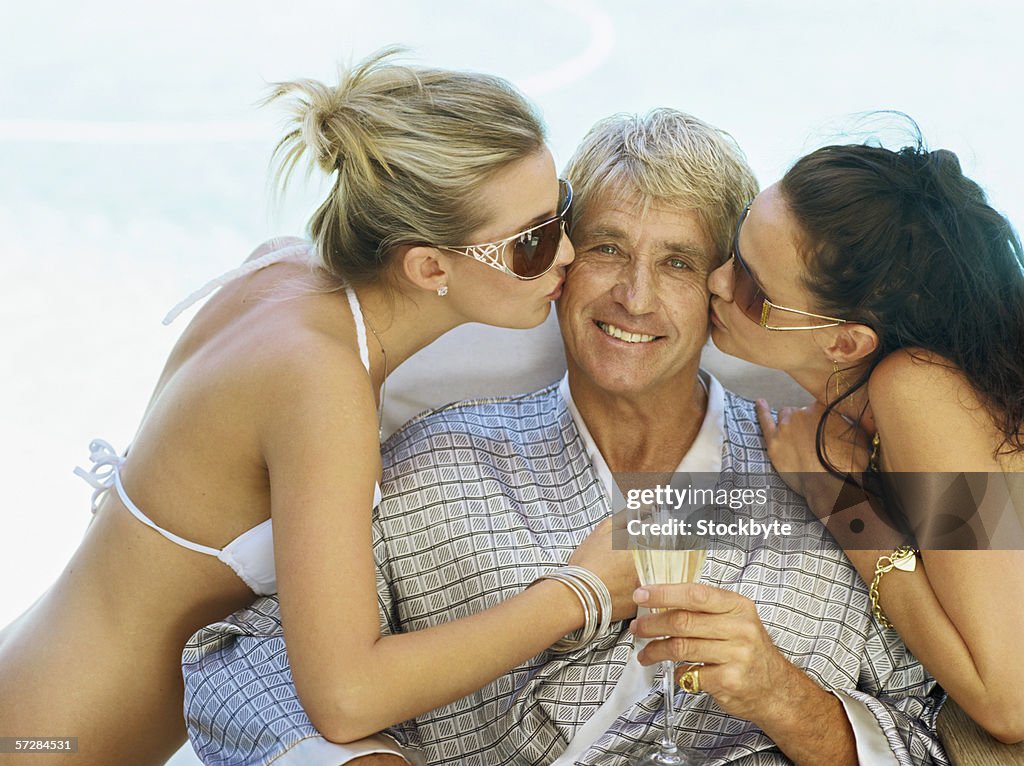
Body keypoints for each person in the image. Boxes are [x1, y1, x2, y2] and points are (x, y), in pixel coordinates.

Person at [182, 109, 947, 765]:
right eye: (608, 248)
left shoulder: (837, 482)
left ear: (722, 289)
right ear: (561, 264)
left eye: (677, 262)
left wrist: (789, 701)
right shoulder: (437, 461)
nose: (635, 297)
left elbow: (952, 728)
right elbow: (236, 661)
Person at [0, 49, 642, 766]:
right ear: (428, 267)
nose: (566, 256)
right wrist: (579, 594)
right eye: (532, 242)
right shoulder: (318, 385)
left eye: (565, 212)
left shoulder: (283, 273)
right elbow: (346, 698)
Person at [706, 129, 1024, 744]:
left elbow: (1009, 701)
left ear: (845, 342)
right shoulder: (883, 394)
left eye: (753, 288)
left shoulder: (918, 389)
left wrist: (840, 503)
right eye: (735, 242)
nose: (716, 282)